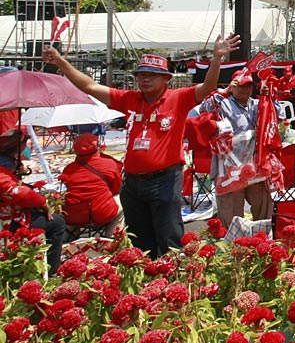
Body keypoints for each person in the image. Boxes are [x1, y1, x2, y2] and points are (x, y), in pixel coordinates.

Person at [42, 34, 240, 257]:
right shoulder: (129, 99)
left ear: (166, 79)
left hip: (165, 180)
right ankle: (146, 276)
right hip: (133, 184)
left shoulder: (179, 98)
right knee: (139, 242)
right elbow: (89, 86)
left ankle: (172, 275)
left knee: (169, 239)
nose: (145, 80)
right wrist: (60, 62)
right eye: (141, 75)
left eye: (152, 75)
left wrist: (216, 59)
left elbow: (208, 87)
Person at [197, 68, 281, 227]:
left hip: (257, 166)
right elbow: (204, 109)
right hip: (229, 168)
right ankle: (233, 241)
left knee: (264, 210)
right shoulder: (222, 104)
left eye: (248, 86)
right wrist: (224, 91)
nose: (245, 89)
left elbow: (278, 117)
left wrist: (270, 97)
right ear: (233, 86)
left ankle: (262, 238)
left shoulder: (258, 103)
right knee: (231, 216)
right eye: (240, 85)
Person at [0, 129, 66, 273]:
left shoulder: (8, 164)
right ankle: (52, 272)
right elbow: (18, 192)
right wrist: (42, 202)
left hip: (9, 213)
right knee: (57, 223)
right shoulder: (4, 168)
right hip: (7, 221)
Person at [59, 133, 124, 237]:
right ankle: (112, 237)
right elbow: (116, 189)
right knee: (122, 201)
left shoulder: (68, 169)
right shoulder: (109, 164)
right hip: (101, 212)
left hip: (74, 215)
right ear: (98, 148)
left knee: (70, 204)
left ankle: (71, 237)